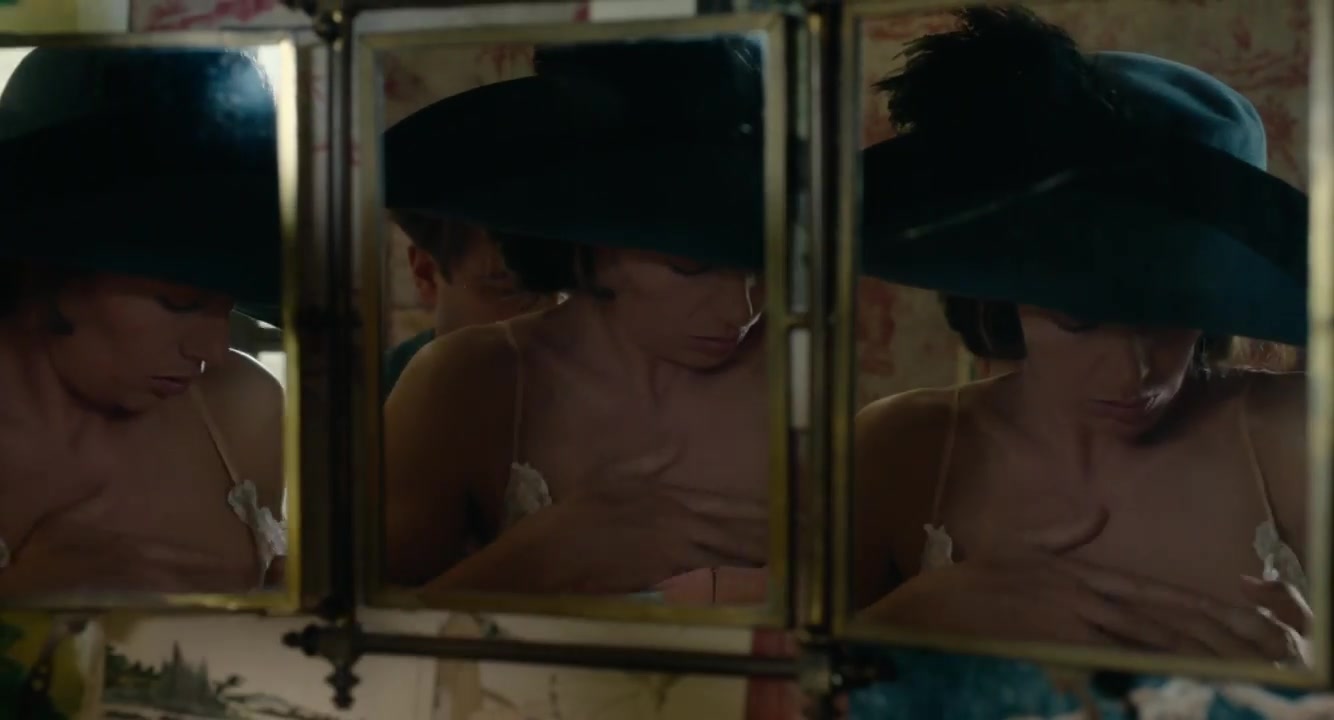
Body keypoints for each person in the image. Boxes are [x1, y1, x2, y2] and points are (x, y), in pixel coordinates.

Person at [853, 6, 1310, 662]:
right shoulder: (901, 450)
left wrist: (1309, 683)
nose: (1132, 373)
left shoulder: (1299, 436)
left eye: (1165, 316)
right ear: (1006, 288)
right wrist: (906, 619)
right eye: (1079, 319)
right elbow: (772, 688)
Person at [383, 37, 771, 604]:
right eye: (691, 266)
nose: (741, 310)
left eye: (758, 267)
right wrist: (538, 559)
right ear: (594, 240)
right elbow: (357, 634)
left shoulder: (790, 373)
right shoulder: (466, 381)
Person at [0, 46, 287, 595]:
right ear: (48, 266)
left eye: (229, 302)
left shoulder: (243, 404)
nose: (213, 349)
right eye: (179, 301)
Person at [380, 208, 556, 396]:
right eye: (509, 290)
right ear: (427, 274)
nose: (548, 314)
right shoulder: (372, 397)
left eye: (560, 289)